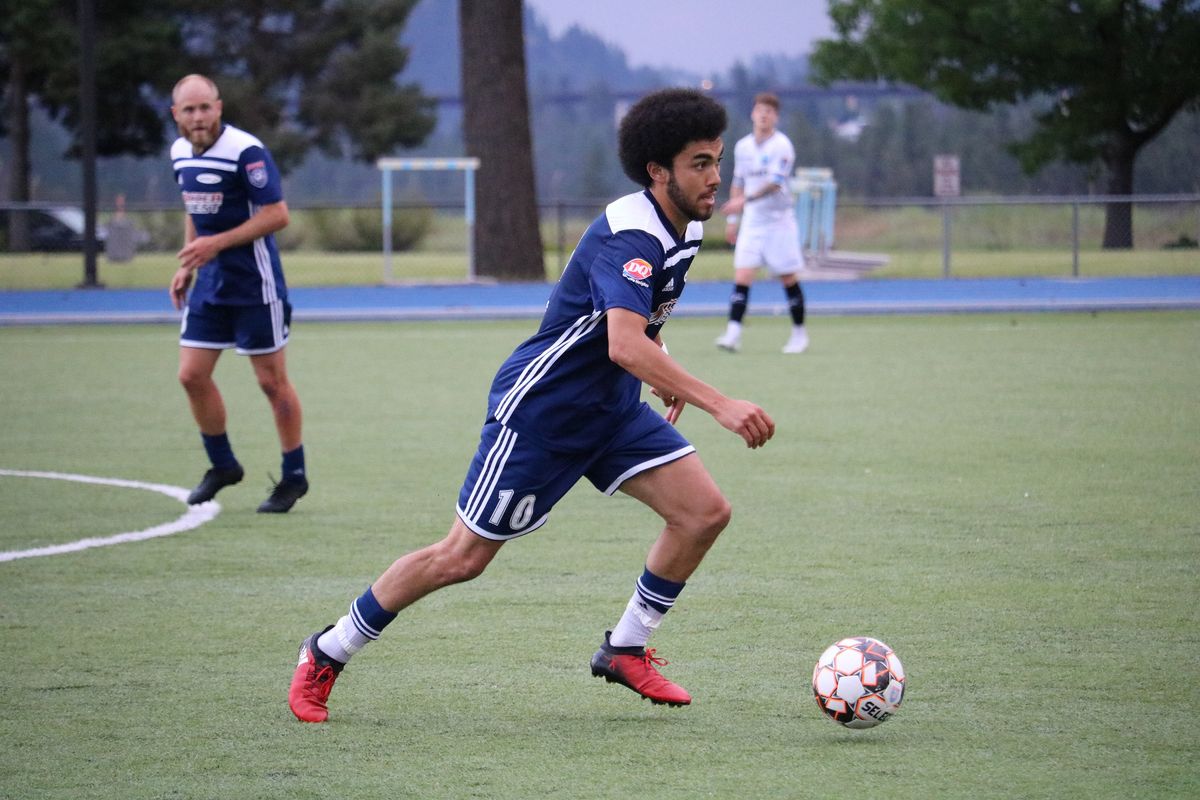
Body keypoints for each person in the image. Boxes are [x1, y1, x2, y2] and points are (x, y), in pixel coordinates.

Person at [288, 88, 776, 723]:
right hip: (544, 414)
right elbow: (624, 344)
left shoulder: (685, 223)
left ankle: (625, 648)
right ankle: (327, 651)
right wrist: (717, 402)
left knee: (704, 513)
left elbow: (633, 327)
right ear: (659, 172)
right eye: (700, 164)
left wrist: (658, 362)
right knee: (460, 558)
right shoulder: (632, 237)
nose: (716, 177)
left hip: (611, 410)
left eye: (717, 160)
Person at [168, 74, 309, 513]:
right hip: (210, 286)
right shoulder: (177, 154)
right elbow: (194, 210)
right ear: (176, 115)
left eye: (204, 107)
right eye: (188, 110)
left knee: (271, 382)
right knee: (191, 375)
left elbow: (277, 214)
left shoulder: (245, 151)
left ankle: (294, 476)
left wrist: (216, 244)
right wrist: (188, 265)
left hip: (255, 285)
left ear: (219, 107)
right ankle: (223, 465)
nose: (197, 117)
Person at [715, 92, 809, 354]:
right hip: (753, 222)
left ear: (775, 116)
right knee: (743, 274)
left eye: (769, 111)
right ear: (753, 114)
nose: (764, 114)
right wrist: (733, 219)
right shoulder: (743, 146)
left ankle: (799, 334)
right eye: (760, 110)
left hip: (779, 221)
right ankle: (733, 333)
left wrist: (744, 201)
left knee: (787, 277)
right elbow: (738, 183)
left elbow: (775, 182)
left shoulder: (782, 145)